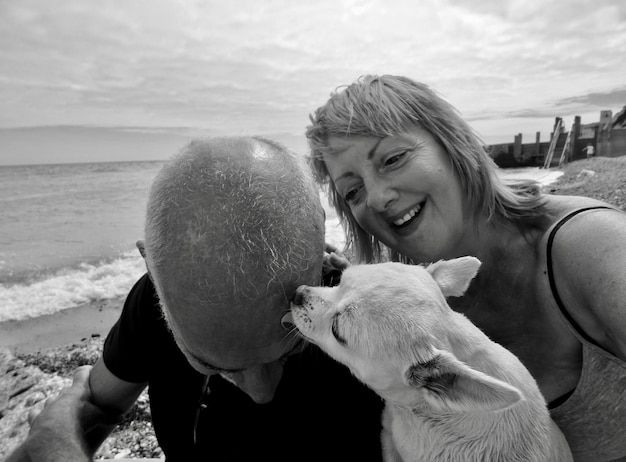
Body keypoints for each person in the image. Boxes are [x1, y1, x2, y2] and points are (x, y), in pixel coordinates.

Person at [305, 75, 626, 461]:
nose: (376, 197)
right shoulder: (412, 288)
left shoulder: (591, 247)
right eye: (353, 191)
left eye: (392, 159)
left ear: (451, 144)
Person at [7, 136, 384, 462]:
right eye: (215, 365)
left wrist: (51, 435)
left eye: (290, 349)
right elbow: (94, 403)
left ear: (317, 249)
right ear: (155, 273)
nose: (260, 392)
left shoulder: (368, 324)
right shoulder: (158, 299)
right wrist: (56, 434)